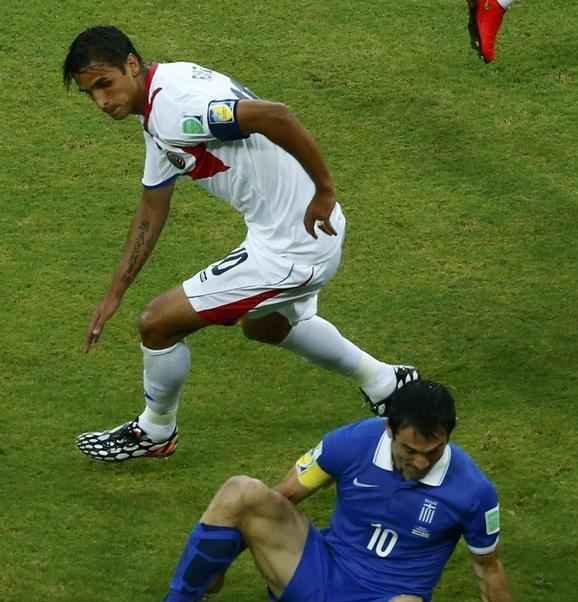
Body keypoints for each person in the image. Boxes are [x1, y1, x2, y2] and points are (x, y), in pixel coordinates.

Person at [106, 380, 575, 602]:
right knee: (241, 491)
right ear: (390, 430)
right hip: (319, 574)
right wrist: (222, 559)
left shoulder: (473, 490)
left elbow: (488, 569)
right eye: (410, 450)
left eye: (432, 452)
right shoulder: (351, 443)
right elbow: (280, 500)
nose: (420, 462)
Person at [62, 27, 417, 462]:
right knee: (265, 324)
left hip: (294, 246)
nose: (101, 101)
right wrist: (114, 291)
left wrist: (325, 189)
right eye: (90, 93)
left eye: (105, 84)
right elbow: (152, 208)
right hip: (296, 232)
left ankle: (156, 430)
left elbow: (276, 116)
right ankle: (385, 381)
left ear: (132, 65)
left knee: (157, 323)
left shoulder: (175, 111)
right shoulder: (160, 98)